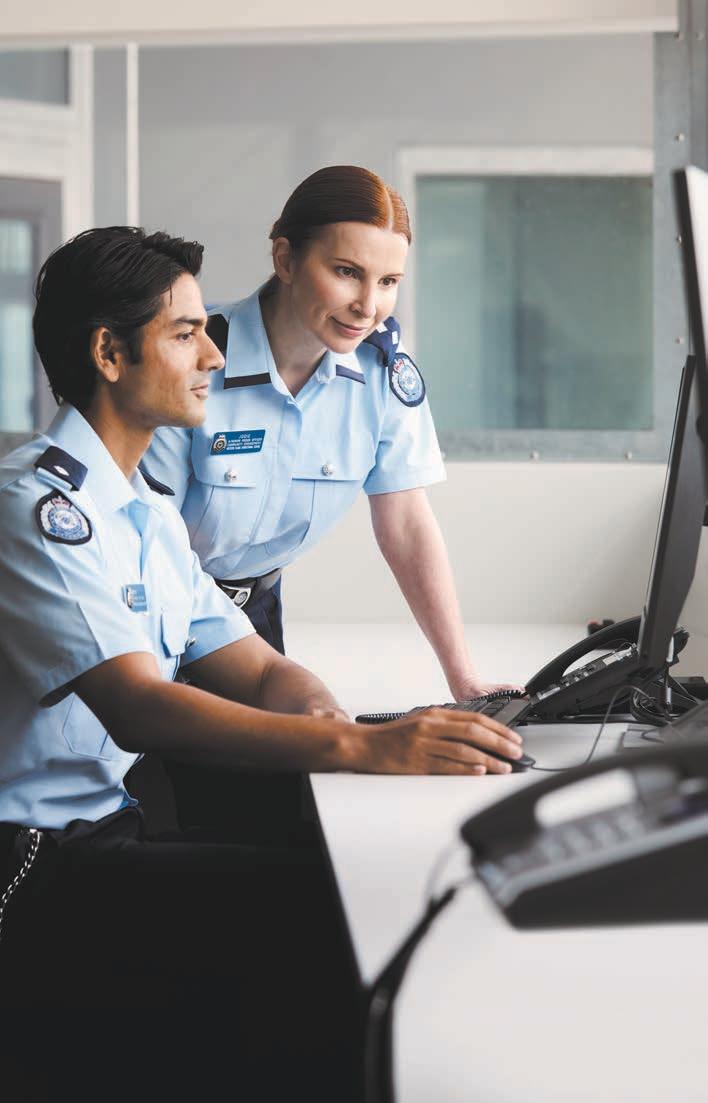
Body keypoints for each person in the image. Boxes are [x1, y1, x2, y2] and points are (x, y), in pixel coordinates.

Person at [0, 226, 524, 1099]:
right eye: (185, 334)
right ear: (109, 354)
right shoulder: (38, 510)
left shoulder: (144, 513)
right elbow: (140, 705)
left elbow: (257, 667)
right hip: (31, 867)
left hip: (105, 829)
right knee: (335, 923)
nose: (214, 355)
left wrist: (331, 719)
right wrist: (361, 748)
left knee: (354, 887)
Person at [145, 165, 508, 701]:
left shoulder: (383, 378)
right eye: (346, 272)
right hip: (155, 607)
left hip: (254, 616)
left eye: (388, 282)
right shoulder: (192, 357)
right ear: (286, 259)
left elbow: (406, 524)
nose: (368, 306)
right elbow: (147, 538)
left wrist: (465, 680)